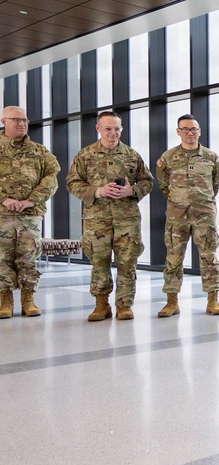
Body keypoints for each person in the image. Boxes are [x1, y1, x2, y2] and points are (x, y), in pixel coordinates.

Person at [66, 111, 153, 321]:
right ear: (98, 129)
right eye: (108, 128)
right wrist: (98, 191)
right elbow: (72, 183)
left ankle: (124, 305)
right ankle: (101, 304)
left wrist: (131, 190)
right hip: (97, 219)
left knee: (127, 261)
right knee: (99, 261)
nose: (113, 133)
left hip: (127, 220)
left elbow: (147, 182)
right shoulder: (85, 155)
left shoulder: (132, 155)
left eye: (117, 129)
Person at [155, 114, 219, 317]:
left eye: (193, 129)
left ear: (199, 131)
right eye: (184, 129)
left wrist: (199, 200)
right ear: (178, 132)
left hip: (204, 214)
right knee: (173, 258)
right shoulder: (167, 158)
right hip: (177, 215)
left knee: (209, 257)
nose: (189, 133)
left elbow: (215, 184)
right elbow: (163, 185)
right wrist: (181, 200)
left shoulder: (212, 158)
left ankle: (213, 300)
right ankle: (171, 302)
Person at [0, 106, 60, 319]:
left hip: (30, 215)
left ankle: (29, 299)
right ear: (3, 121)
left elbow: (52, 177)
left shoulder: (39, 151)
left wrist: (30, 200)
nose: (21, 123)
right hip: (1, 215)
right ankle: (4, 300)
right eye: (16, 119)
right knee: (2, 258)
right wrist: (4, 199)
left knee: (29, 256)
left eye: (24, 119)